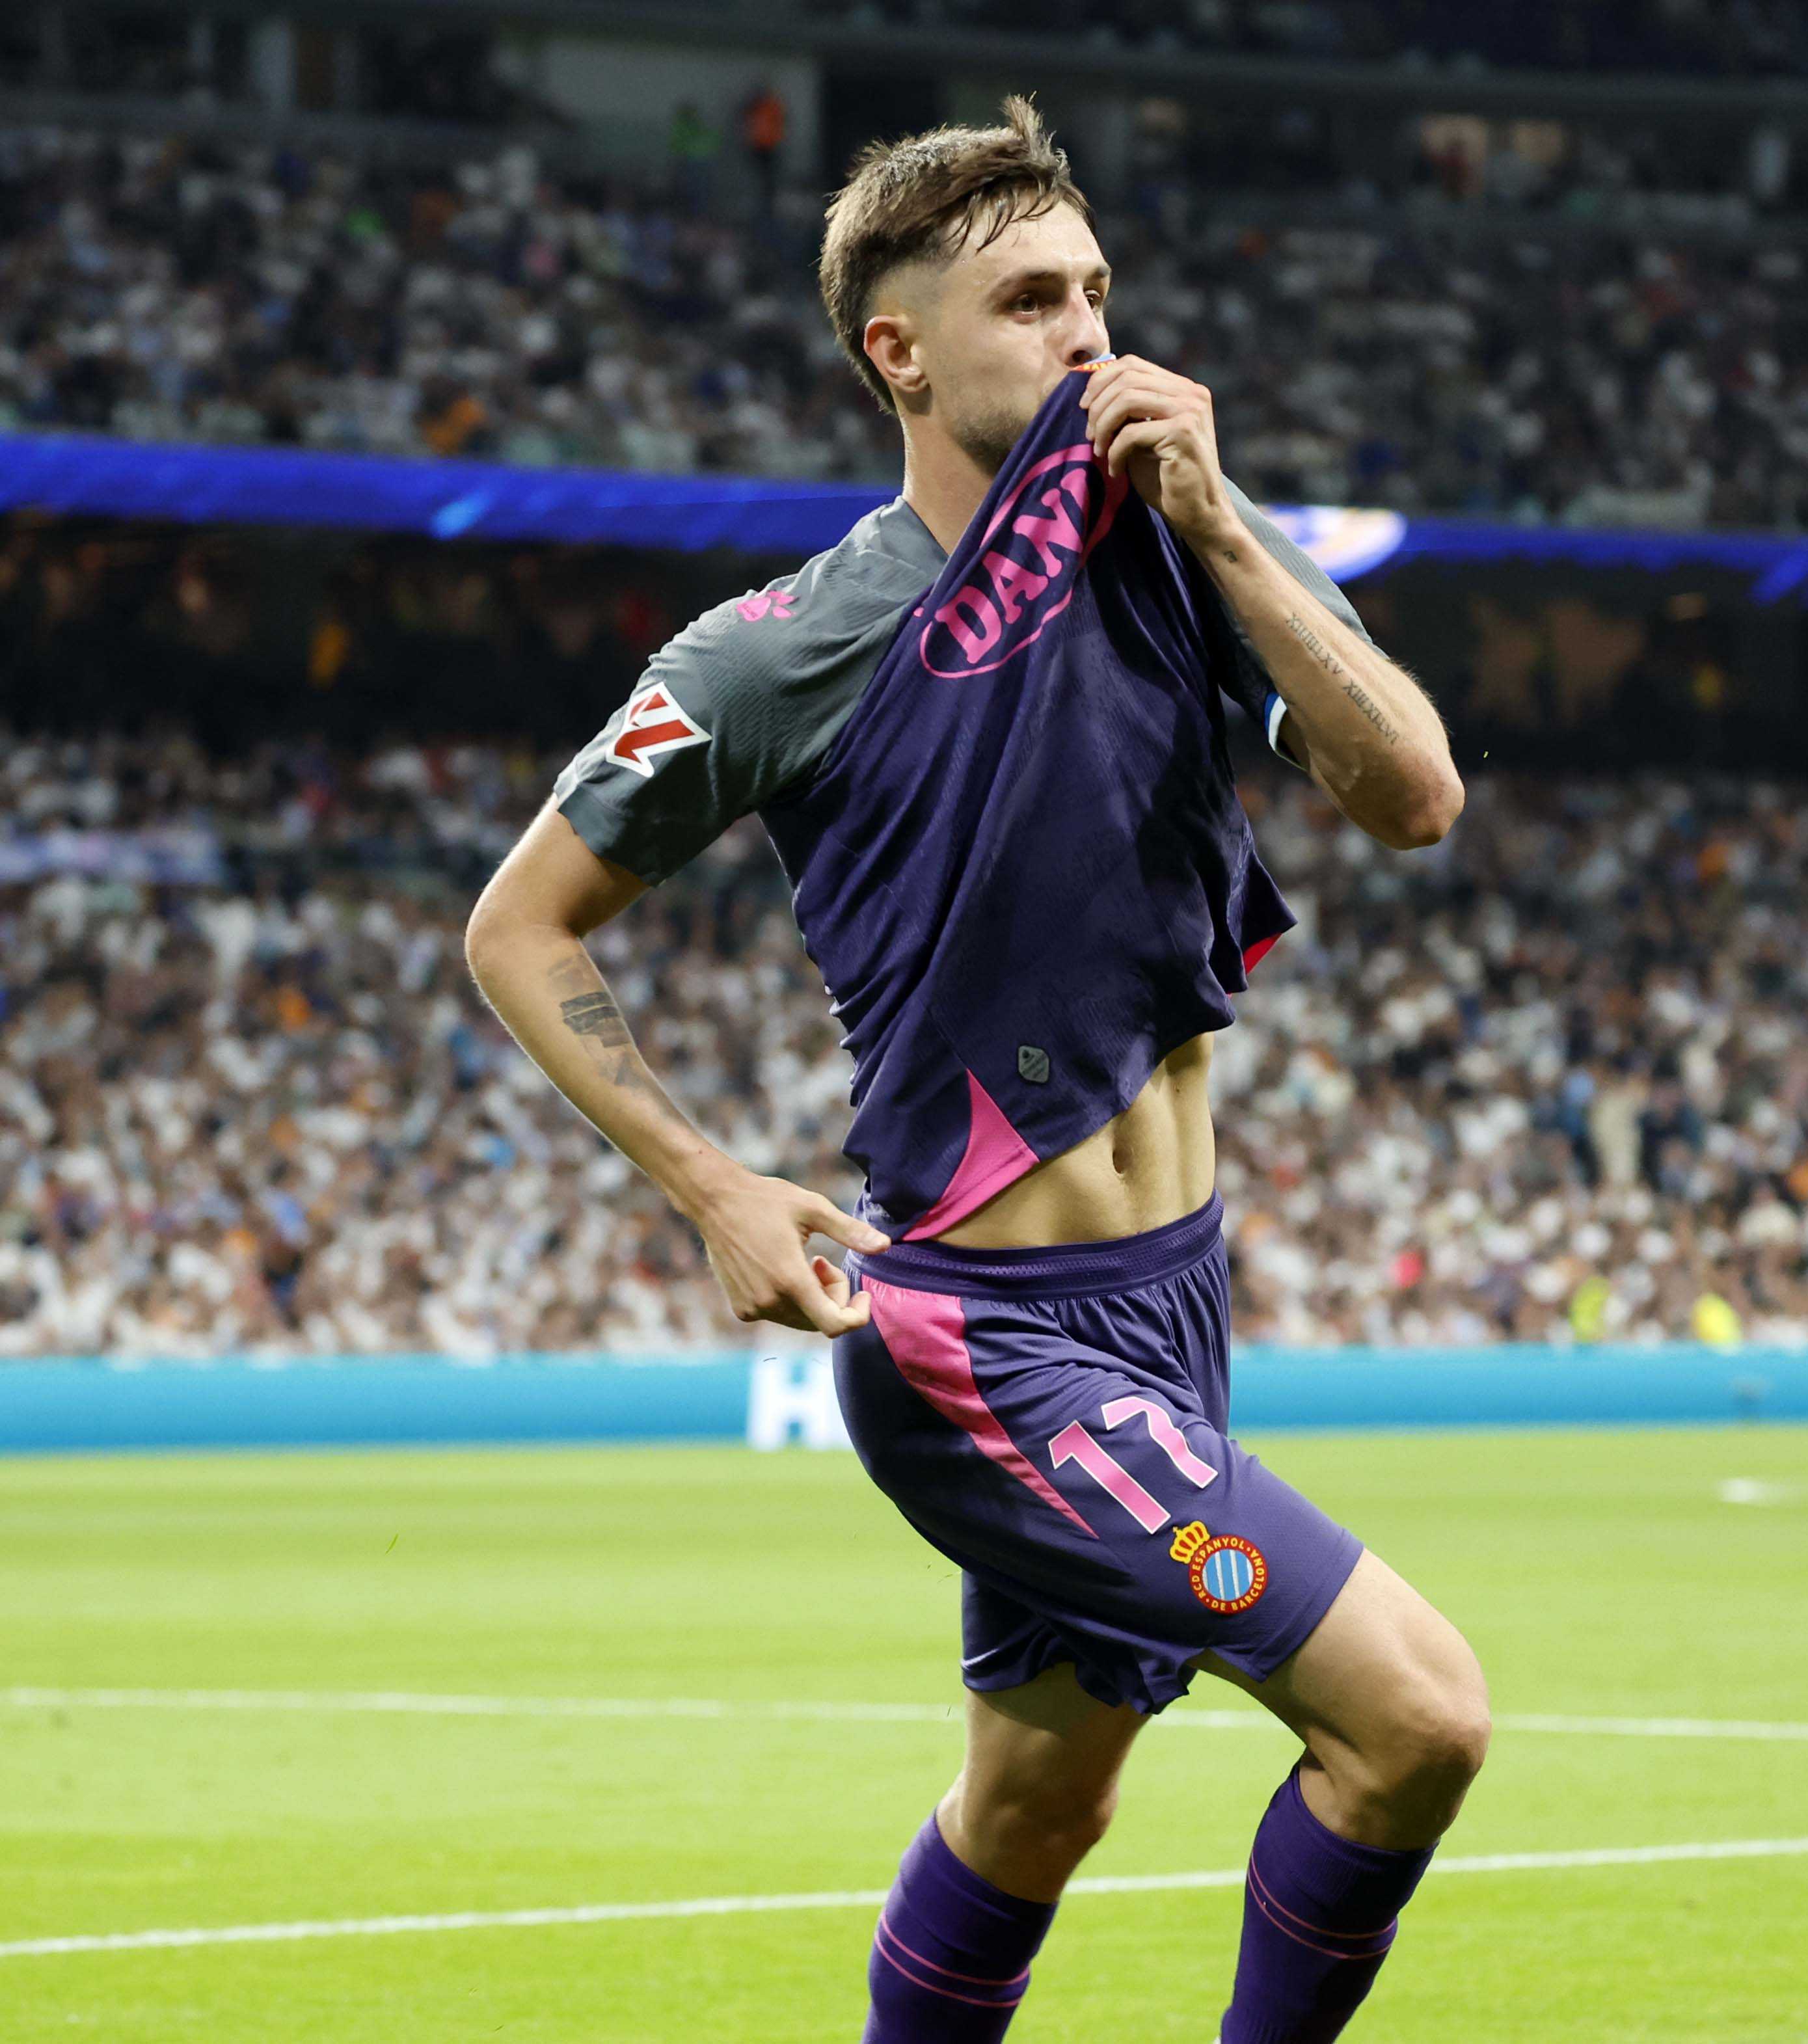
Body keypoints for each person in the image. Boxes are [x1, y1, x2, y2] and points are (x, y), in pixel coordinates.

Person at [463, 98, 1480, 2044]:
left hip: (1168, 1298)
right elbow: (520, 924)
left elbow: (1414, 792)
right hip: (984, 1341)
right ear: (899, 353)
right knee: (1415, 1715)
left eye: (1095, 290)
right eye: (1028, 300)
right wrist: (712, 1182)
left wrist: (1219, 525)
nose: (1085, 330)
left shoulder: (1183, 543)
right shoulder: (778, 648)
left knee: (1033, 1811)